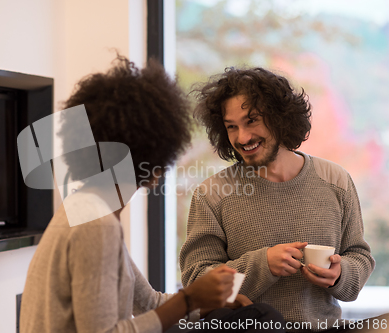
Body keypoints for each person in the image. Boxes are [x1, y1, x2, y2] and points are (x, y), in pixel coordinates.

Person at [20, 58, 285, 333]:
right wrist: (190, 298)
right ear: (155, 160)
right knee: (264, 320)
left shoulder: (87, 208)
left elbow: (149, 303)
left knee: (254, 317)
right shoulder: (95, 225)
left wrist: (207, 302)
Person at [179, 67, 376, 332]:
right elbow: (196, 282)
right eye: (231, 127)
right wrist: (262, 265)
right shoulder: (213, 193)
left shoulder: (335, 180)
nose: (242, 137)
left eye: (252, 121)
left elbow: (358, 255)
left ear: (280, 118)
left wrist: (340, 274)